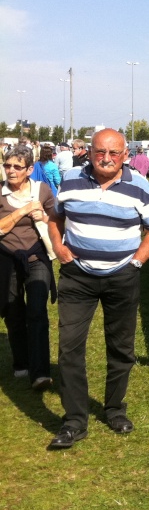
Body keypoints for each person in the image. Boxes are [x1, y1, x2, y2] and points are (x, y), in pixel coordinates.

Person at [47, 129, 149, 449]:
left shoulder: (141, 187)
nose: (106, 159)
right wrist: (59, 247)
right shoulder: (70, 179)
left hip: (121, 278)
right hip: (77, 277)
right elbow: (55, 219)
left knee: (121, 347)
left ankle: (114, 409)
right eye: (100, 152)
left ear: (125, 155)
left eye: (114, 153)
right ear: (90, 152)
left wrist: (136, 264)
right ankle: (74, 421)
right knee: (69, 347)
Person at [0, 145, 57, 391]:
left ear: (30, 169)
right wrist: (23, 210)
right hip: (6, 258)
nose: (10, 171)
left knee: (36, 311)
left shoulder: (42, 190)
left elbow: (58, 221)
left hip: (36, 258)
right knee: (13, 312)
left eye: (16, 167)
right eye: (6, 165)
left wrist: (43, 216)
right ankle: (21, 362)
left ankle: (41, 372)